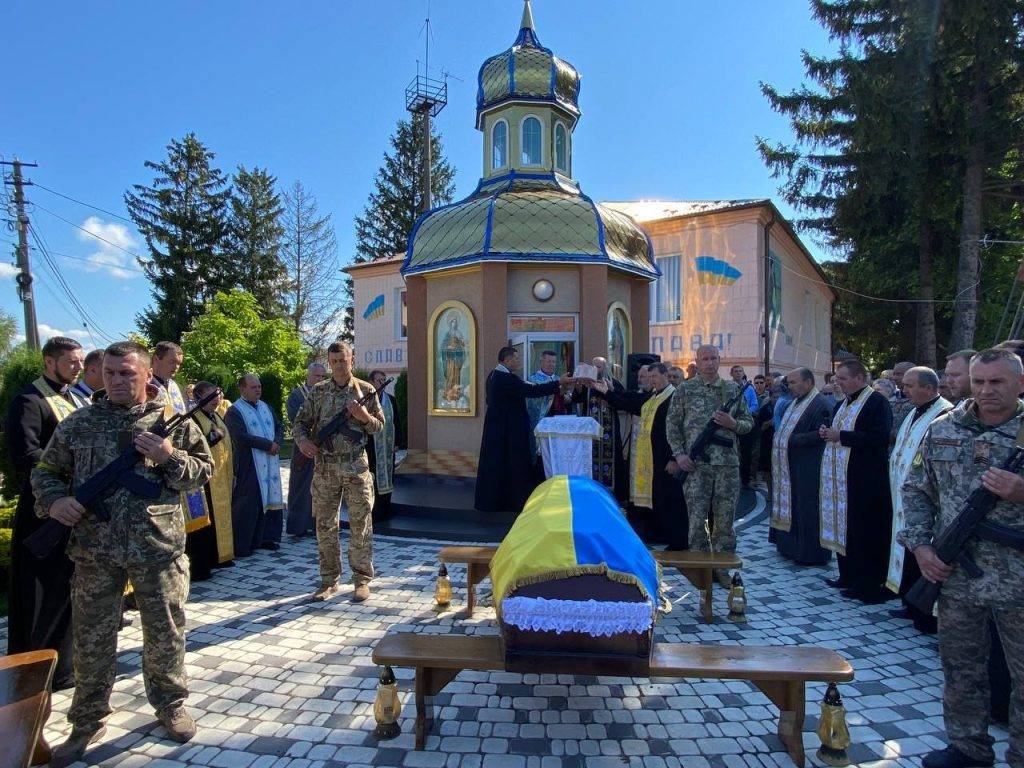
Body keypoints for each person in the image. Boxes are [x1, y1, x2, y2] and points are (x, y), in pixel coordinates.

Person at [32, 341, 213, 765]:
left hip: (157, 550)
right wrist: (55, 502)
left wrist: (169, 456)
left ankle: (170, 705)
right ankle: (87, 720)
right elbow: (46, 472)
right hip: (94, 552)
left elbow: (204, 472)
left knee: (165, 633)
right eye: (110, 373)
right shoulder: (78, 423)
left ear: (147, 375)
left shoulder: (172, 422)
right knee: (93, 640)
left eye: (126, 373)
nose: (116, 380)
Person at [901, 348, 1024, 768]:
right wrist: (921, 548)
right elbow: (916, 490)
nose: (986, 390)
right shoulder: (943, 429)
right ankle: (967, 748)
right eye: (980, 381)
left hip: (1019, 581)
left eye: (998, 382)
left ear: (1020, 384)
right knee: (961, 668)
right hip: (956, 575)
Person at [5, 336, 86, 692]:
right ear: (49, 361)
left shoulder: (73, 398)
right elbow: (26, 453)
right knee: (41, 590)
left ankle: (65, 665)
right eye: (71, 362)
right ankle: (34, 668)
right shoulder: (30, 400)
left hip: (75, 507)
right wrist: (68, 473)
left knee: (67, 586)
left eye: (81, 362)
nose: (79, 368)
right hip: (44, 509)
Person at [294, 341, 383, 602]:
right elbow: (299, 423)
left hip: (356, 466)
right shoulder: (318, 391)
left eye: (343, 361)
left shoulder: (365, 390)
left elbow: (379, 427)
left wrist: (364, 416)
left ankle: (361, 580)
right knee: (325, 524)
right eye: (333, 362)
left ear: (351, 360)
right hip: (325, 468)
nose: (338, 366)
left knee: (360, 524)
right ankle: (328, 580)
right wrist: (302, 442)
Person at [667, 345, 752, 584]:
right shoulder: (685, 389)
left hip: (727, 466)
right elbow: (672, 425)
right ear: (697, 361)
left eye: (714, 358)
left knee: (725, 520)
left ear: (719, 360)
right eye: (705, 359)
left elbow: (748, 423)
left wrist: (732, 423)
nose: (710, 363)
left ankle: (722, 569)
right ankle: (700, 568)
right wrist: (680, 456)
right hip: (695, 467)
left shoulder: (732, 389)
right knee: (696, 519)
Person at [819, 358, 895, 603]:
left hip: (866, 479)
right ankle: (848, 575)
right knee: (846, 527)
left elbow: (879, 436)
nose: (837, 383)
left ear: (860, 378)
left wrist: (840, 435)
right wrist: (829, 434)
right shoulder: (844, 403)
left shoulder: (876, 402)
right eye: (837, 378)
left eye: (842, 378)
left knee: (864, 531)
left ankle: (868, 582)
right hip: (843, 478)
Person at [592, 363, 686, 548]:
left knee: (671, 499)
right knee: (656, 497)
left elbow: (680, 429)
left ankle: (678, 542)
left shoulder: (673, 397)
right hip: (651, 458)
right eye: (649, 378)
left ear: (665, 376)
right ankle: (658, 535)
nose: (652, 381)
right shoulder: (653, 397)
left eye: (655, 377)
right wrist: (608, 393)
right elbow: (631, 402)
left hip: (666, 458)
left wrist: (675, 457)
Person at [886, 366, 951, 633]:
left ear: (928, 387)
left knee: (924, 550)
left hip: (929, 499)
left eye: (910, 386)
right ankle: (910, 602)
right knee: (910, 548)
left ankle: (925, 612)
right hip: (907, 495)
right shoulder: (915, 410)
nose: (904, 390)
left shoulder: (944, 413)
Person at [474, 346, 570, 513]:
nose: (519, 362)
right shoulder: (506, 378)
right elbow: (531, 390)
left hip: (499, 429)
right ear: (507, 360)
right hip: (507, 431)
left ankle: (497, 501)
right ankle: (511, 503)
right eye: (516, 359)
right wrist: (558, 383)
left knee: (498, 466)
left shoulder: (494, 375)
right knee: (510, 465)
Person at [151, 342, 213, 559]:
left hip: (181, 459)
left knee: (187, 513)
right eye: (171, 362)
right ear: (155, 359)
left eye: (178, 363)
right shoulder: (146, 386)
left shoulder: (174, 387)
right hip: (157, 459)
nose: (175, 367)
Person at [770, 368, 832, 565]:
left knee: (806, 509)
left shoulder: (820, 404)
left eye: (794, 382)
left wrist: (793, 439)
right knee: (793, 505)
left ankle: (810, 553)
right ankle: (789, 547)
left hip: (808, 467)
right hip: (791, 466)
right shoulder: (795, 402)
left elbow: (822, 434)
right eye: (788, 383)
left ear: (808, 382)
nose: (790, 386)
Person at [225, 374, 285, 557]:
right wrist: (268, 445)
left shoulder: (266, 406)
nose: (258, 390)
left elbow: (280, 426)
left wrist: (277, 442)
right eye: (253, 387)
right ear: (242, 389)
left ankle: (267, 538)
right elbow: (239, 436)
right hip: (249, 463)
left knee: (269, 498)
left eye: (259, 386)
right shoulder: (235, 411)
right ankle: (244, 544)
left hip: (270, 462)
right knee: (249, 502)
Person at [190, 381, 235, 573]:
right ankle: (205, 563)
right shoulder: (194, 419)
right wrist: (211, 439)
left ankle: (222, 555)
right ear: (199, 397)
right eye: (212, 395)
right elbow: (192, 447)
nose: (217, 399)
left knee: (223, 515)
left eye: (218, 394)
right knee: (207, 519)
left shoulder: (216, 415)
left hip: (222, 474)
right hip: (206, 478)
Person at [285, 362, 327, 537]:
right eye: (317, 376)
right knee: (301, 487)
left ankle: (317, 524)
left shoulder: (326, 394)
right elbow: (297, 420)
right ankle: (298, 526)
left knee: (320, 488)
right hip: (304, 447)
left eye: (323, 377)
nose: (320, 379)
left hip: (323, 448)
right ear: (308, 376)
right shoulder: (296, 395)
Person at [585, 356, 626, 498]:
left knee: (613, 458)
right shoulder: (587, 384)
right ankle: (593, 489)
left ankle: (613, 492)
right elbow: (576, 399)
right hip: (592, 431)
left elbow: (622, 400)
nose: (596, 369)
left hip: (610, 430)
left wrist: (612, 390)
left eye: (599, 367)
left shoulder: (614, 383)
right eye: (594, 366)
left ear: (605, 368)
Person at [366, 369, 400, 520]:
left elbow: (397, 422)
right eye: (379, 380)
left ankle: (386, 509)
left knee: (388, 477)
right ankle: (374, 511)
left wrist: (398, 442)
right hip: (371, 447)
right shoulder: (367, 400)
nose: (382, 382)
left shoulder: (390, 400)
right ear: (371, 382)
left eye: (383, 379)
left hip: (387, 446)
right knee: (373, 478)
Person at [526, 350, 573, 460]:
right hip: (543, 421)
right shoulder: (533, 379)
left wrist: (566, 395)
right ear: (541, 362)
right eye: (548, 361)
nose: (551, 364)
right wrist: (555, 392)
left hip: (559, 422)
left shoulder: (559, 379)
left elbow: (568, 400)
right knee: (543, 456)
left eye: (553, 362)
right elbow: (533, 402)